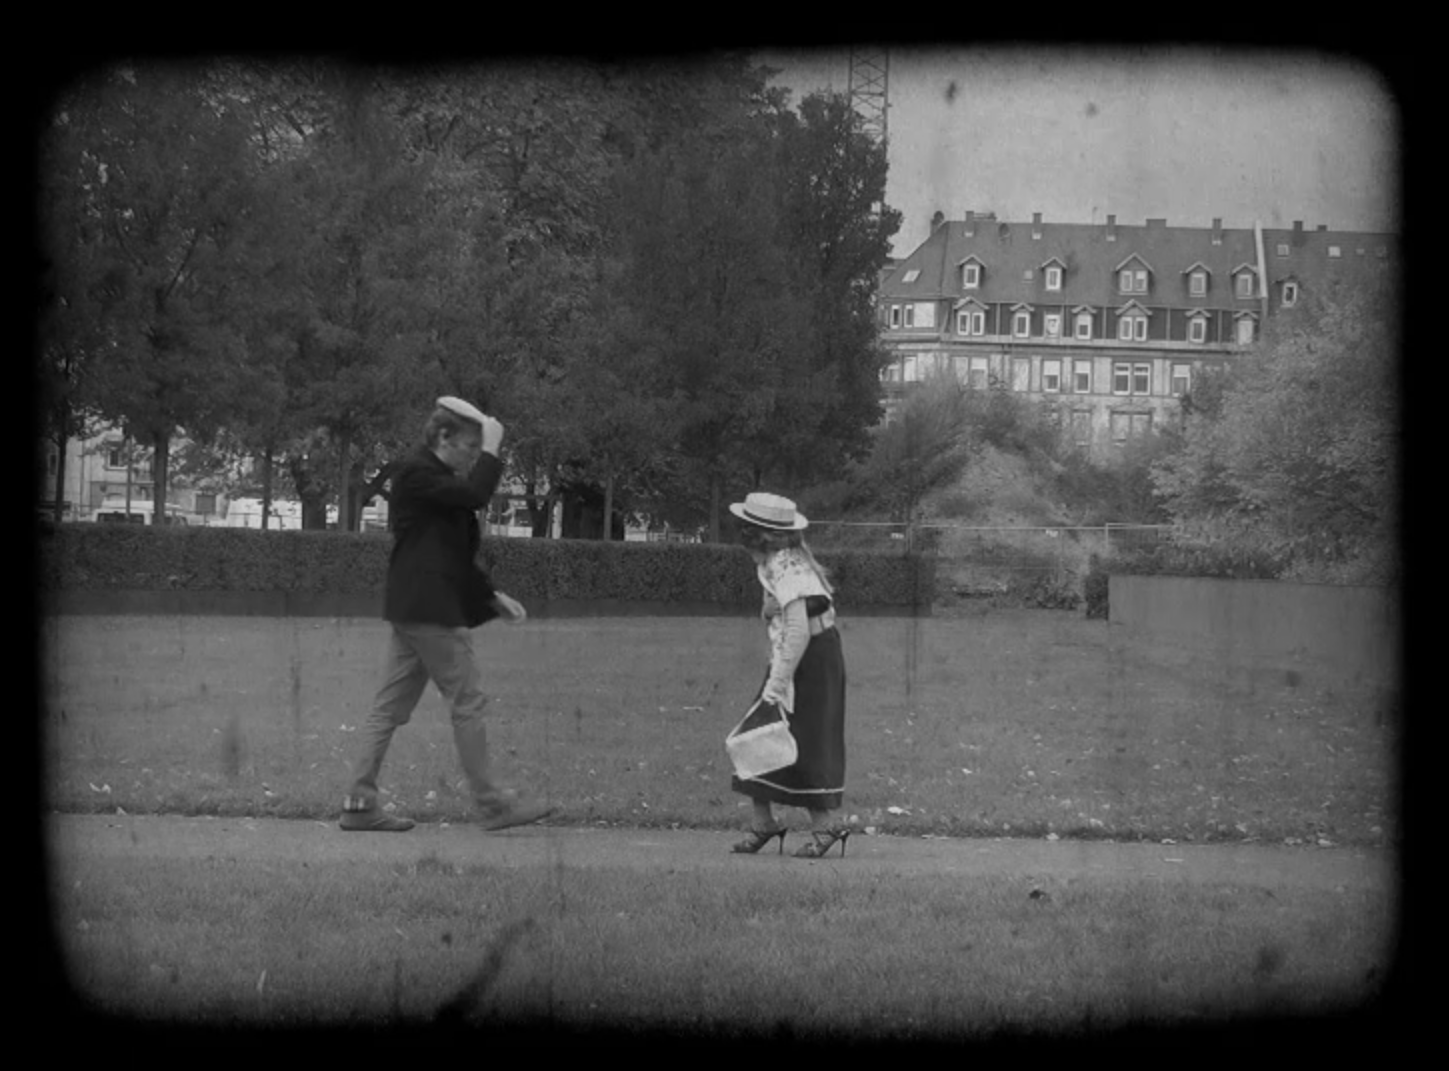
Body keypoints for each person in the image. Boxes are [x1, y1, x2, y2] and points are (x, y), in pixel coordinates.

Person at [339, 395, 554, 833]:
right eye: (470, 448)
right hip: (432, 611)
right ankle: (493, 805)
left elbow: (448, 551)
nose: (474, 457)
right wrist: (494, 449)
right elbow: (476, 495)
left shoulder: (431, 479)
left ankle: (359, 804)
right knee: (468, 702)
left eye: (479, 450)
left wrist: (490, 594)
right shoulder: (418, 472)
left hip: (414, 607)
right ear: (443, 436)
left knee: (388, 710)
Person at [727, 492, 853, 859]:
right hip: (802, 655)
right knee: (761, 734)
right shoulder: (779, 561)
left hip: (809, 660)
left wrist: (778, 683)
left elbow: (798, 629)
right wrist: (769, 611)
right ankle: (764, 820)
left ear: (757, 534)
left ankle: (824, 825)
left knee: (800, 738)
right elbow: (784, 614)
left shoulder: (785, 565)